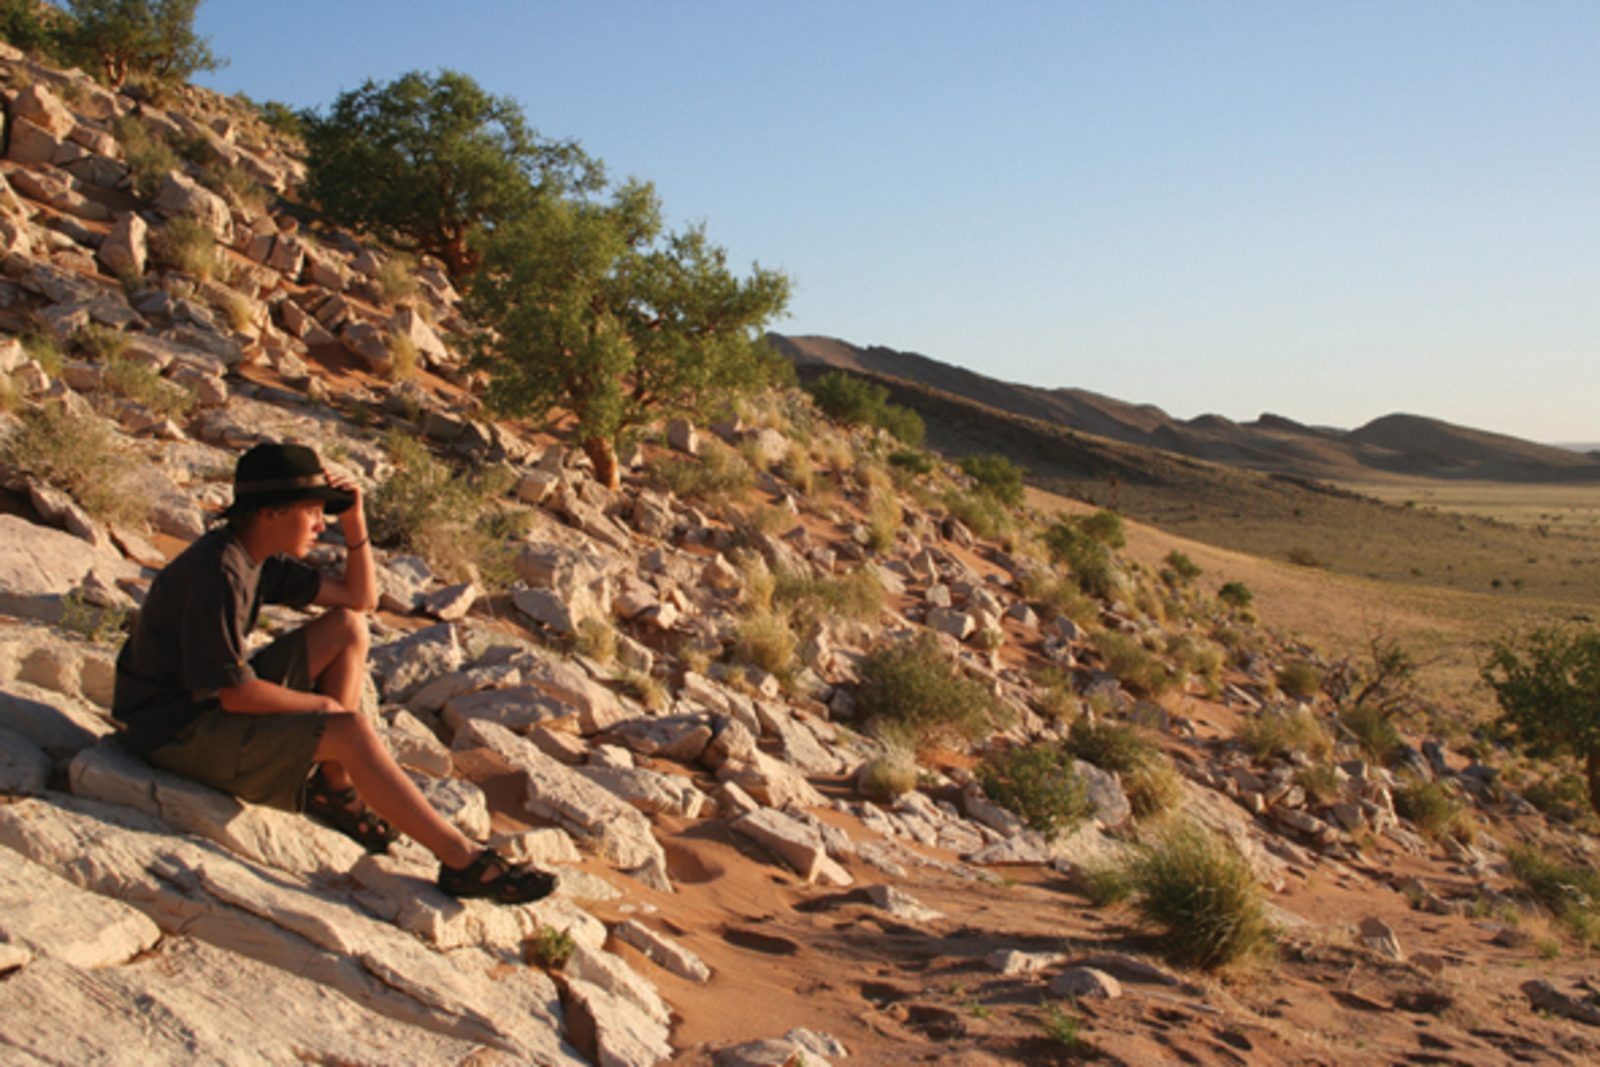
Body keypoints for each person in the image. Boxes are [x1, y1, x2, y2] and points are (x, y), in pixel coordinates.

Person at [112, 441, 554, 904]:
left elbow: (359, 600)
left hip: (199, 708)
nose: (322, 524)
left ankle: (334, 785)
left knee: (347, 629)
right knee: (349, 728)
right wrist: (323, 709)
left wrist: (355, 522)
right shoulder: (217, 572)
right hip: (171, 731)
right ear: (269, 512)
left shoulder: (252, 557)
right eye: (313, 512)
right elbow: (233, 694)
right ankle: (463, 860)